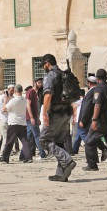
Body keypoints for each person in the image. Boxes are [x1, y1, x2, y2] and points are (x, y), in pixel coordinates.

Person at [39, 54, 77, 182]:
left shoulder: (51, 75)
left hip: (55, 112)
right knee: (60, 142)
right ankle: (61, 174)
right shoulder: (63, 74)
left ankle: (67, 161)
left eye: (43, 65)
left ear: (47, 63)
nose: (43, 67)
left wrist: (44, 113)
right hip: (67, 112)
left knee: (44, 140)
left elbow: (48, 95)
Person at [83, 69, 107, 172]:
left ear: (97, 79)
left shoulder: (98, 89)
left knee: (89, 141)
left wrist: (94, 119)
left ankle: (92, 164)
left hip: (100, 120)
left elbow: (97, 105)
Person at [0, 84, 32, 163]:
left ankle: (5, 158)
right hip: (22, 123)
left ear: (14, 91)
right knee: (24, 141)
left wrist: (5, 100)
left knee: (9, 141)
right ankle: (28, 157)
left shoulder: (14, 100)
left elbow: (4, 108)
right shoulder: (24, 100)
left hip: (13, 123)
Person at [26, 78, 46, 159]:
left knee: (28, 137)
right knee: (37, 136)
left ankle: (25, 154)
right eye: (39, 83)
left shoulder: (36, 93)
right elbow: (28, 105)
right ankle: (42, 153)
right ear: (35, 83)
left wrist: (37, 118)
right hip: (31, 118)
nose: (40, 84)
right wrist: (31, 117)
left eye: (41, 83)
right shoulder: (30, 91)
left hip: (34, 117)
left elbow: (36, 107)